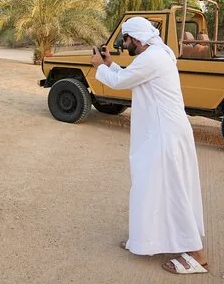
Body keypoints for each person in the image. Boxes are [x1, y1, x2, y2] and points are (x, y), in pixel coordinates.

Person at [89, 16, 208, 275]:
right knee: (151, 188)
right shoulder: (154, 55)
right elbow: (130, 76)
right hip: (161, 133)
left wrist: (99, 66)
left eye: (126, 40)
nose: (124, 45)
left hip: (165, 136)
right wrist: (109, 64)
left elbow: (120, 82)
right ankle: (146, 239)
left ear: (136, 38)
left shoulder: (152, 58)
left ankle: (197, 254)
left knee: (172, 189)